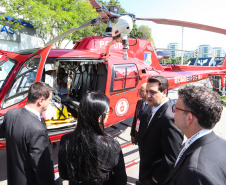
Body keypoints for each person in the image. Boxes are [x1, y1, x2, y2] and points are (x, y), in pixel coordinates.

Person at [58, 92, 127, 185]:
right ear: (99, 118)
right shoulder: (112, 145)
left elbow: (64, 174)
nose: (108, 114)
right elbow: (121, 180)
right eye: (107, 111)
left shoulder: (65, 140)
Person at [165, 85, 226, 185]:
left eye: (176, 107)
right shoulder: (222, 144)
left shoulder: (194, 171)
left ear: (189, 118)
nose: (174, 110)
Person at [0, 82, 55, 185]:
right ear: (41, 101)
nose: (50, 102)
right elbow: (42, 169)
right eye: (49, 100)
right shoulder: (38, 130)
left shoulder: (10, 114)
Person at [137, 76, 183, 185]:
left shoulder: (170, 118)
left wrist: (155, 179)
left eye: (152, 92)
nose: (148, 95)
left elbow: (172, 157)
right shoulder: (150, 106)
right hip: (145, 171)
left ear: (164, 92)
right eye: (147, 91)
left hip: (155, 179)